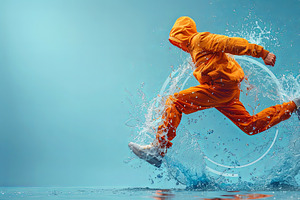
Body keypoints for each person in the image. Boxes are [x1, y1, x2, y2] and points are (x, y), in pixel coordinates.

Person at [128, 16, 300, 168]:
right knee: (250, 126)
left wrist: (262, 52)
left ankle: (158, 149)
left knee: (175, 102)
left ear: (181, 35)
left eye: (176, 41)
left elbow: (230, 43)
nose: (178, 46)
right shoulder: (195, 49)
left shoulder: (199, 40)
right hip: (227, 93)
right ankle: (295, 105)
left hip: (220, 89)